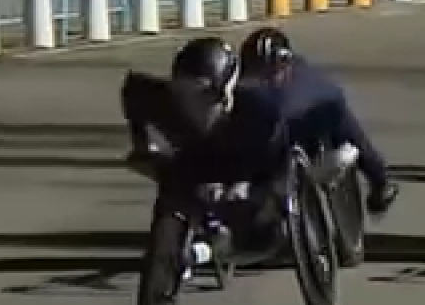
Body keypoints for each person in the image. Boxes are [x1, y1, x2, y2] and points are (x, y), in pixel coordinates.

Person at [120, 37, 294, 255]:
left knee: (257, 223)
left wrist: (243, 184)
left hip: (252, 167)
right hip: (198, 157)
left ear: (225, 93)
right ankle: (181, 237)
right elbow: (133, 93)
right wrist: (142, 144)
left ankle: (245, 234)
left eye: (201, 95)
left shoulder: (259, 110)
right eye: (183, 93)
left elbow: (275, 163)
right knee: (165, 177)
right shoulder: (157, 98)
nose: (190, 104)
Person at [238, 26, 399, 215]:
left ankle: (379, 180)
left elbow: (333, 100)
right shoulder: (243, 86)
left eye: (272, 72)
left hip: (312, 120)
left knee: (342, 121)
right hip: (274, 134)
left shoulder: (306, 83)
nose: (266, 79)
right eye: (258, 74)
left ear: (286, 65)